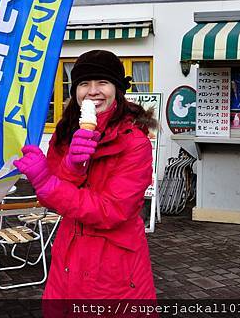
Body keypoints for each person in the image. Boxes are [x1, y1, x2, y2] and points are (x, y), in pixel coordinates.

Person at [14, 50, 158, 303]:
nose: (92, 91)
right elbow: (53, 200)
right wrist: (71, 166)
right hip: (68, 254)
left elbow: (112, 210)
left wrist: (48, 183)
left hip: (115, 264)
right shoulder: (65, 132)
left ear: (117, 89)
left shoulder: (135, 142)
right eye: (83, 83)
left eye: (102, 82)